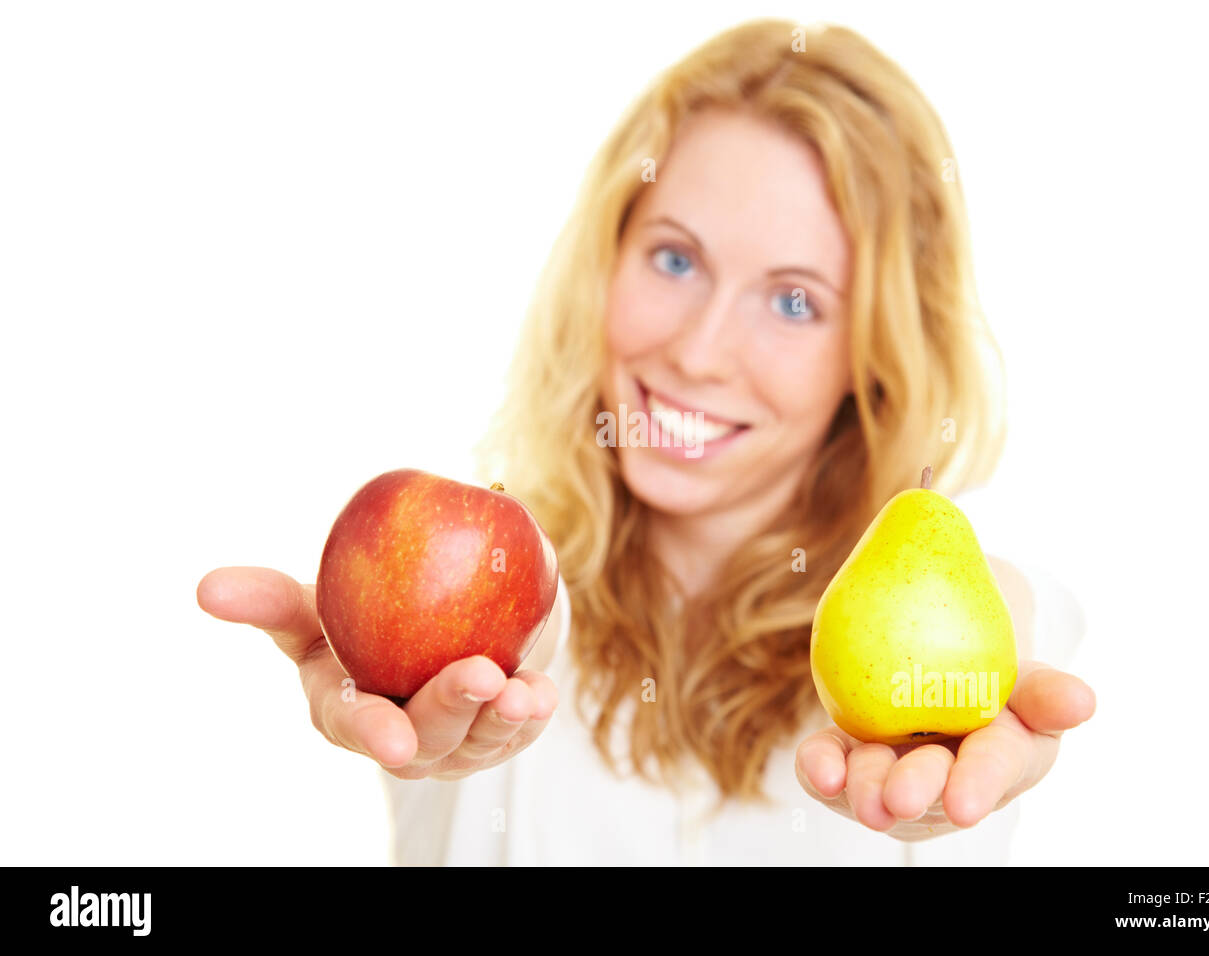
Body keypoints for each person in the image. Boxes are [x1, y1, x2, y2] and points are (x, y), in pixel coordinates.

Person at [197, 18, 1096, 865]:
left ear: (876, 359)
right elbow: (535, 625)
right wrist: (414, 647)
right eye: (676, 258)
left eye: (794, 301)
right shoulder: (511, 613)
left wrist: (968, 680)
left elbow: (1011, 616)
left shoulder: (934, 679)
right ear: (608, 259)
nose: (699, 351)